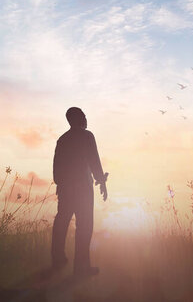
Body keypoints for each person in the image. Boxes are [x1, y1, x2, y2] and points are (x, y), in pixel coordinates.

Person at [51, 107, 108, 276]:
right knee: (84, 226)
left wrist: (61, 184)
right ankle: (81, 267)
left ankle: (58, 260)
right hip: (83, 189)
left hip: (65, 189)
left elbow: (56, 168)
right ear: (78, 119)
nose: (86, 118)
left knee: (61, 223)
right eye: (83, 115)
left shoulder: (62, 140)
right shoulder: (87, 136)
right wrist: (102, 181)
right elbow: (94, 161)